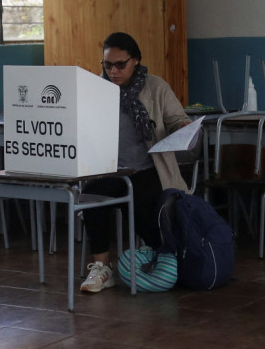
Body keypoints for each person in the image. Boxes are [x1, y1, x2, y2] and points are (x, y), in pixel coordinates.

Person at [80, 32, 191, 293]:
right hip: (109, 169)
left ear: (136, 62)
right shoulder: (97, 91)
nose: (114, 71)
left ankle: (160, 260)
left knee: (144, 204)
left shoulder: (155, 86)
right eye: (107, 65)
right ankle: (102, 268)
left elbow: (176, 119)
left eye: (121, 64)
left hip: (148, 167)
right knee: (91, 198)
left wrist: (183, 126)